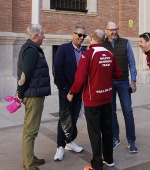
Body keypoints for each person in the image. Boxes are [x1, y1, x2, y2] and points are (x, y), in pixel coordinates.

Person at [67, 29, 122, 170]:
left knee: (95, 132)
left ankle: (97, 164)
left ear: (92, 38)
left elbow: (80, 78)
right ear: (103, 40)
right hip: (107, 98)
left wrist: (72, 91)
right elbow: (118, 73)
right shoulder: (110, 54)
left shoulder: (88, 55)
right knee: (107, 129)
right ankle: (109, 159)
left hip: (92, 100)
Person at [16, 24, 51, 170]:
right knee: (31, 130)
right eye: (42, 34)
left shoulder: (31, 48)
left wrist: (20, 91)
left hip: (32, 94)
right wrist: (20, 92)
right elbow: (26, 74)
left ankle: (29, 157)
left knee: (29, 129)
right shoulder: (31, 50)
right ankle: (29, 164)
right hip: (33, 96)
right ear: (35, 36)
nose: (44, 36)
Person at [103, 21, 138, 153]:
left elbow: (132, 62)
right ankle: (115, 138)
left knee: (128, 111)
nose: (114, 32)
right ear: (106, 31)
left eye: (116, 29)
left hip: (123, 82)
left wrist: (133, 80)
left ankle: (131, 141)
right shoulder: (102, 44)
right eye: (111, 30)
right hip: (108, 83)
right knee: (110, 112)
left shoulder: (125, 42)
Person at [53, 24, 87, 161]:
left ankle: (69, 142)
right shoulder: (63, 49)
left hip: (78, 91)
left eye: (84, 36)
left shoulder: (84, 51)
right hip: (66, 91)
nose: (81, 38)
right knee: (64, 118)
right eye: (79, 35)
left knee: (74, 117)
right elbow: (57, 71)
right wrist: (66, 90)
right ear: (73, 34)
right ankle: (60, 146)